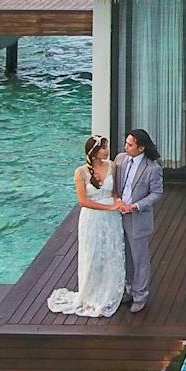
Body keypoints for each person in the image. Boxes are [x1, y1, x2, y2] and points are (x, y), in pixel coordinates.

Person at [46, 135, 125, 318]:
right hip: (92, 219)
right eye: (103, 148)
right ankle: (90, 293)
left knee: (111, 253)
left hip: (111, 219)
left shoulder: (112, 166)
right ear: (94, 152)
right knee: (92, 254)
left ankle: (110, 291)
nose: (107, 151)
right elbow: (83, 201)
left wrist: (118, 203)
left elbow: (114, 193)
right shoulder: (80, 173)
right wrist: (109, 207)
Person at [113, 128, 164, 312]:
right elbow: (115, 185)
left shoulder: (153, 168)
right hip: (119, 215)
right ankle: (128, 290)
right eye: (126, 143)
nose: (125, 147)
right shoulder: (120, 160)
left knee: (139, 258)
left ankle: (140, 295)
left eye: (130, 144)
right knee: (125, 255)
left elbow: (156, 193)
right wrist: (118, 200)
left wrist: (136, 206)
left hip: (137, 218)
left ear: (141, 148)